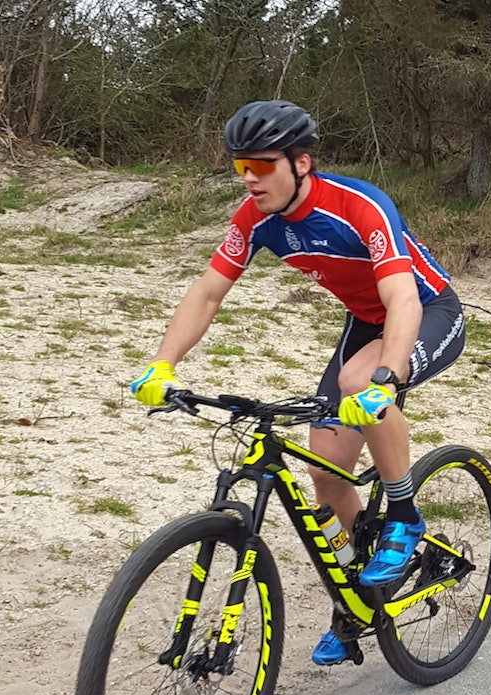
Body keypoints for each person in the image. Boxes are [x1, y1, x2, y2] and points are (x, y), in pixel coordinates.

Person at [129, 100, 466, 666]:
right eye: (241, 168)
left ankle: (405, 517)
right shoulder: (255, 219)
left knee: (361, 380)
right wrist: (163, 364)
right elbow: (209, 292)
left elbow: (401, 296)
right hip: (365, 322)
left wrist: (389, 375)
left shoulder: (359, 205)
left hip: (427, 310)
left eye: (261, 167)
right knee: (324, 472)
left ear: (301, 163)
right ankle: (364, 601)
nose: (250, 180)